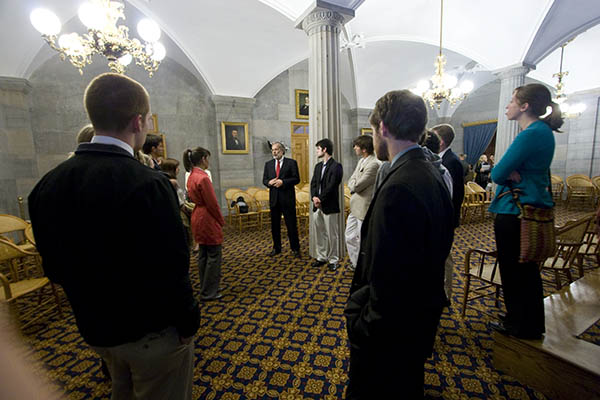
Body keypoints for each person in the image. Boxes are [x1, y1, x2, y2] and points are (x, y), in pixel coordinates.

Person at [28, 72, 200, 400]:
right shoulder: (149, 184)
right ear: (137, 122)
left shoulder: (47, 184)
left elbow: (52, 268)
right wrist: (189, 323)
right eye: (147, 120)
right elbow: (171, 269)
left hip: (95, 329)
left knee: (121, 390)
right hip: (151, 334)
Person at [344, 90, 454, 399]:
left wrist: (360, 323)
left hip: (389, 334)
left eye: (372, 130)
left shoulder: (400, 186)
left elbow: (389, 278)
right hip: (418, 321)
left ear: (382, 128)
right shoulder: (431, 172)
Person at [488, 83, 562, 340]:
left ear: (525, 106)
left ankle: (519, 324)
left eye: (511, 101)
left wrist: (509, 172)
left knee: (514, 271)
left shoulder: (531, 133)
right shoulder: (543, 131)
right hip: (525, 207)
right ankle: (525, 320)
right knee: (525, 272)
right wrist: (511, 172)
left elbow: (497, 173)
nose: (507, 106)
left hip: (515, 211)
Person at [184, 147, 226, 301]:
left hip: (198, 215)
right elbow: (212, 204)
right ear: (203, 159)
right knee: (214, 256)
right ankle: (210, 291)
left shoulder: (191, 175)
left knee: (203, 255)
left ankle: (207, 286)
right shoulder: (203, 178)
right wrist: (221, 220)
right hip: (207, 217)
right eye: (208, 158)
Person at [431, 123, 465, 304]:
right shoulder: (438, 159)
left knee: (445, 257)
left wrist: (448, 221)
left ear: (441, 141)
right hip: (439, 220)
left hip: (445, 220)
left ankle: (445, 294)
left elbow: (457, 195)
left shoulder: (451, 162)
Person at [345, 135, 381, 271]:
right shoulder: (362, 161)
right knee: (349, 236)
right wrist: (353, 183)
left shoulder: (374, 164)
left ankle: (365, 267)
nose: (354, 148)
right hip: (355, 206)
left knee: (362, 240)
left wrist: (353, 184)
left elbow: (356, 186)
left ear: (364, 148)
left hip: (364, 207)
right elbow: (350, 180)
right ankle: (356, 263)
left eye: (356, 146)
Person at [262, 141, 301, 257]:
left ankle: (295, 249)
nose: (274, 152)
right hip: (274, 200)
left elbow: (296, 179)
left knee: (291, 225)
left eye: (277, 150)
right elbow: (264, 180)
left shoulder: (291, 163)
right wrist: (269, 182)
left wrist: (283, 182)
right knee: (275, 226)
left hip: (287, 199)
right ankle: (276, 248)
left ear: (282, 151)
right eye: (273, 150)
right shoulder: (268, 164)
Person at [310, 138, 343, 271]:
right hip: (317, 205)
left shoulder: (336, 166)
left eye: (318, 148)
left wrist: (320, 199)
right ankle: (321, 257)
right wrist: (314, 197)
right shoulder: (318, 166)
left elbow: (332, 186)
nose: (317, 151)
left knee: (332, 234)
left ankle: (334, 259)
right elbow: (313, 184)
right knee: (320, 233)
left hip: (329, 205)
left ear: (325, 150)